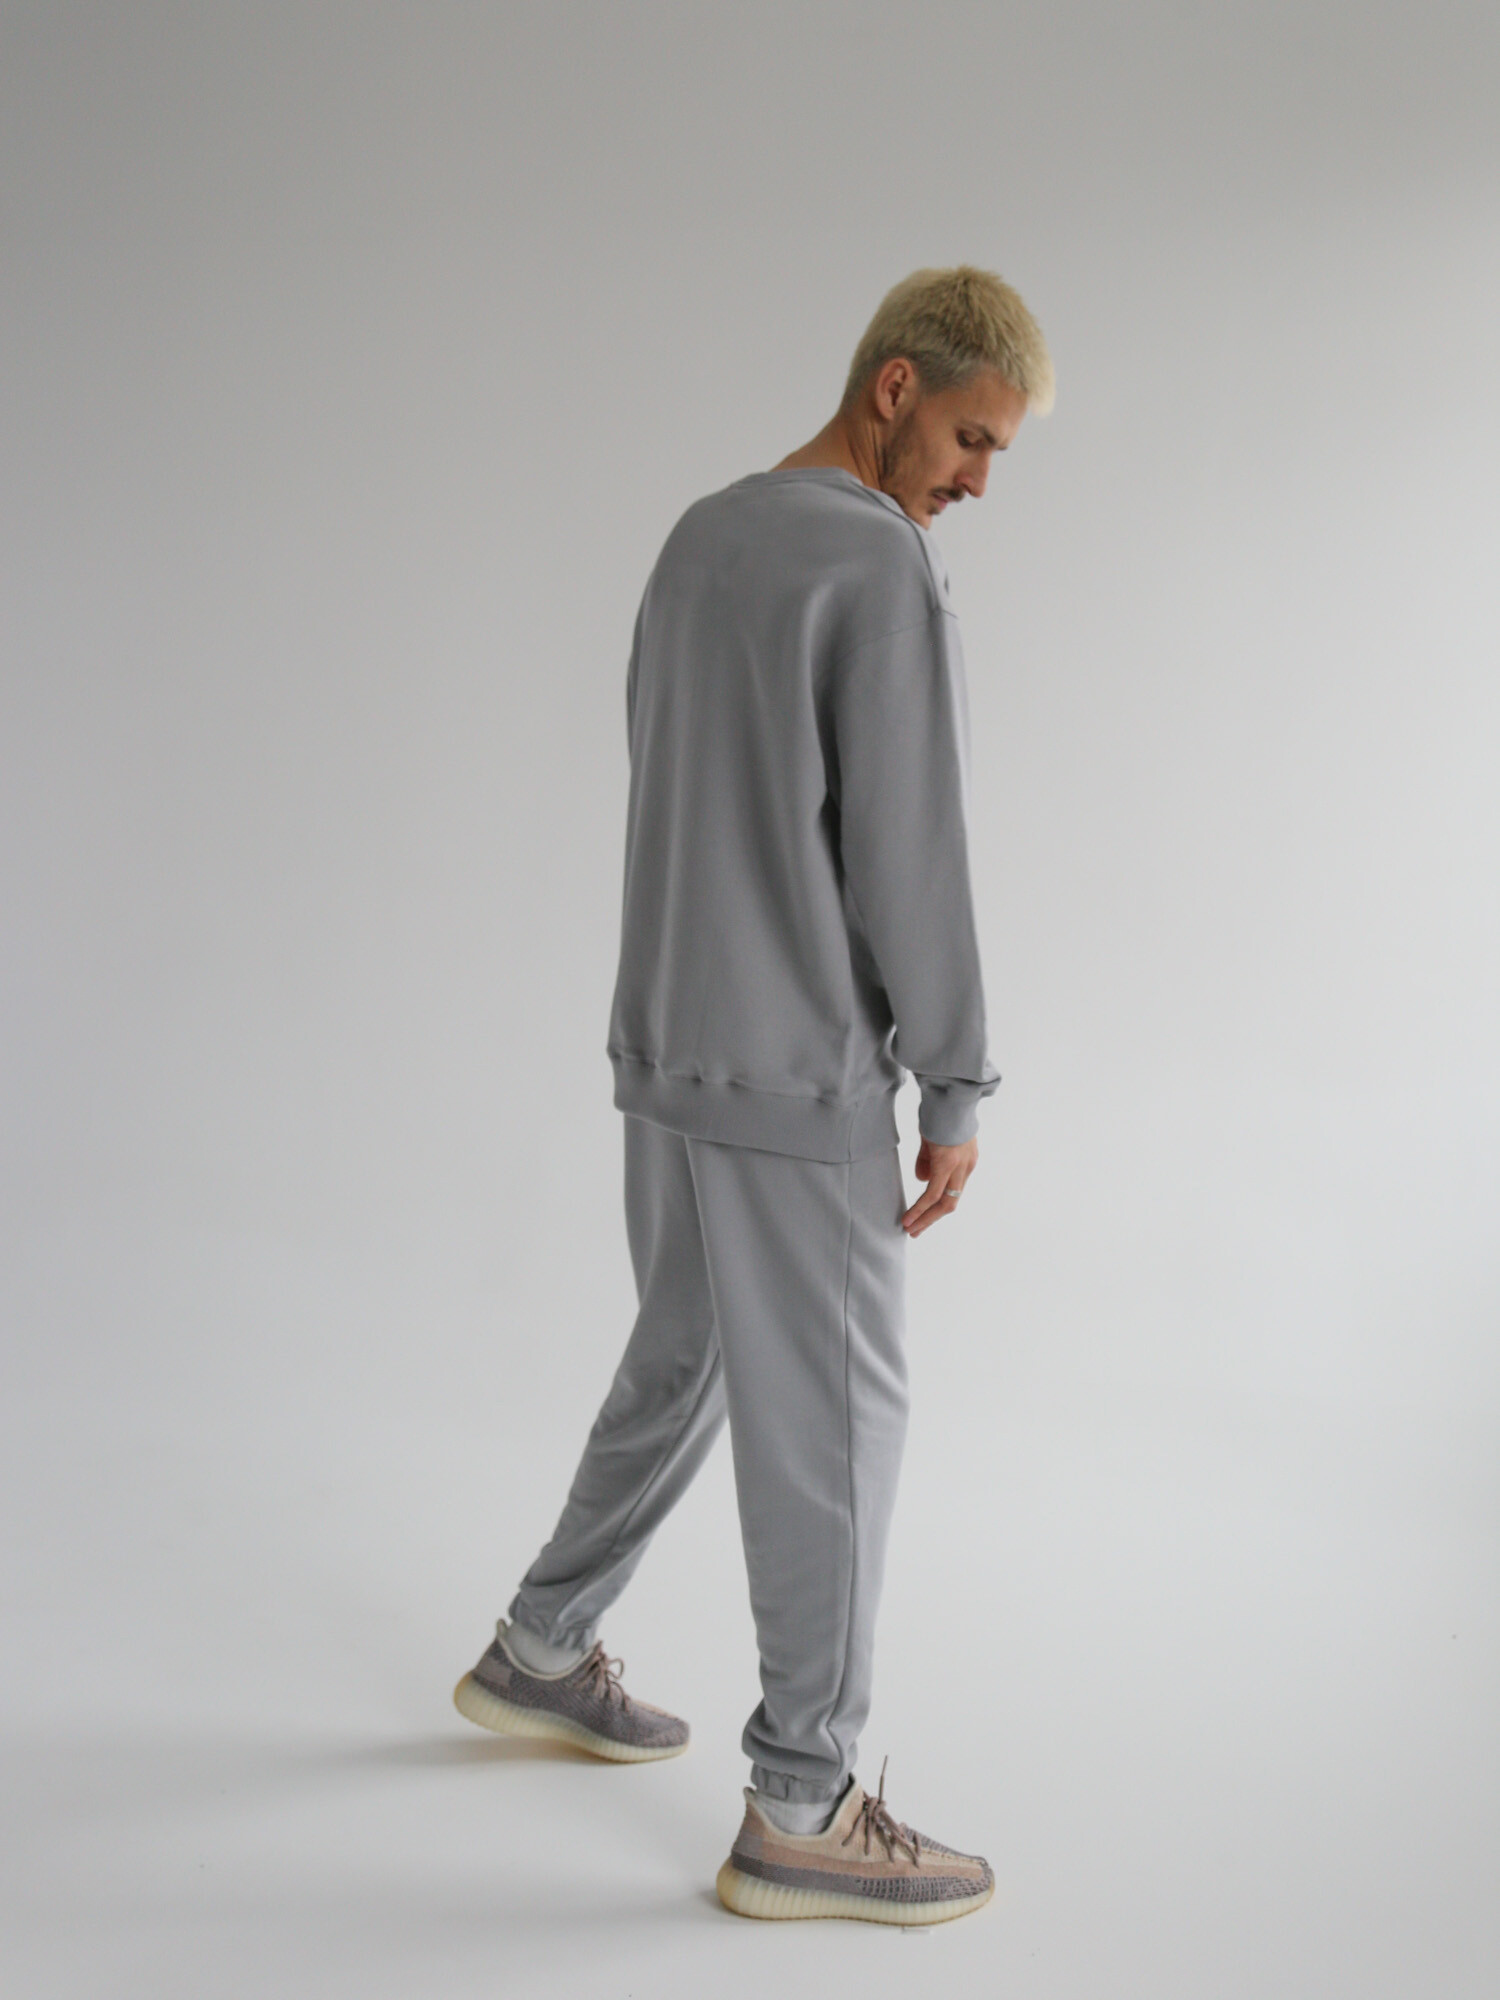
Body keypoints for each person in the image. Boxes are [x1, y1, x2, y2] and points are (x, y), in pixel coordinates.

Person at [454, 265, 1055, 1925]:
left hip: (666, 1049)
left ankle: (541, 1645)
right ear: (895, 386)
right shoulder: (880, 563)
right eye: (971, 438)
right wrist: (955, 1082)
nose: (977, 481)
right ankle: (803, 1802)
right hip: (795, 1076)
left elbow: (671, 776)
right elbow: (909, 850)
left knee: (687, 1354)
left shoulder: (700, 535)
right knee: (840, 1429)